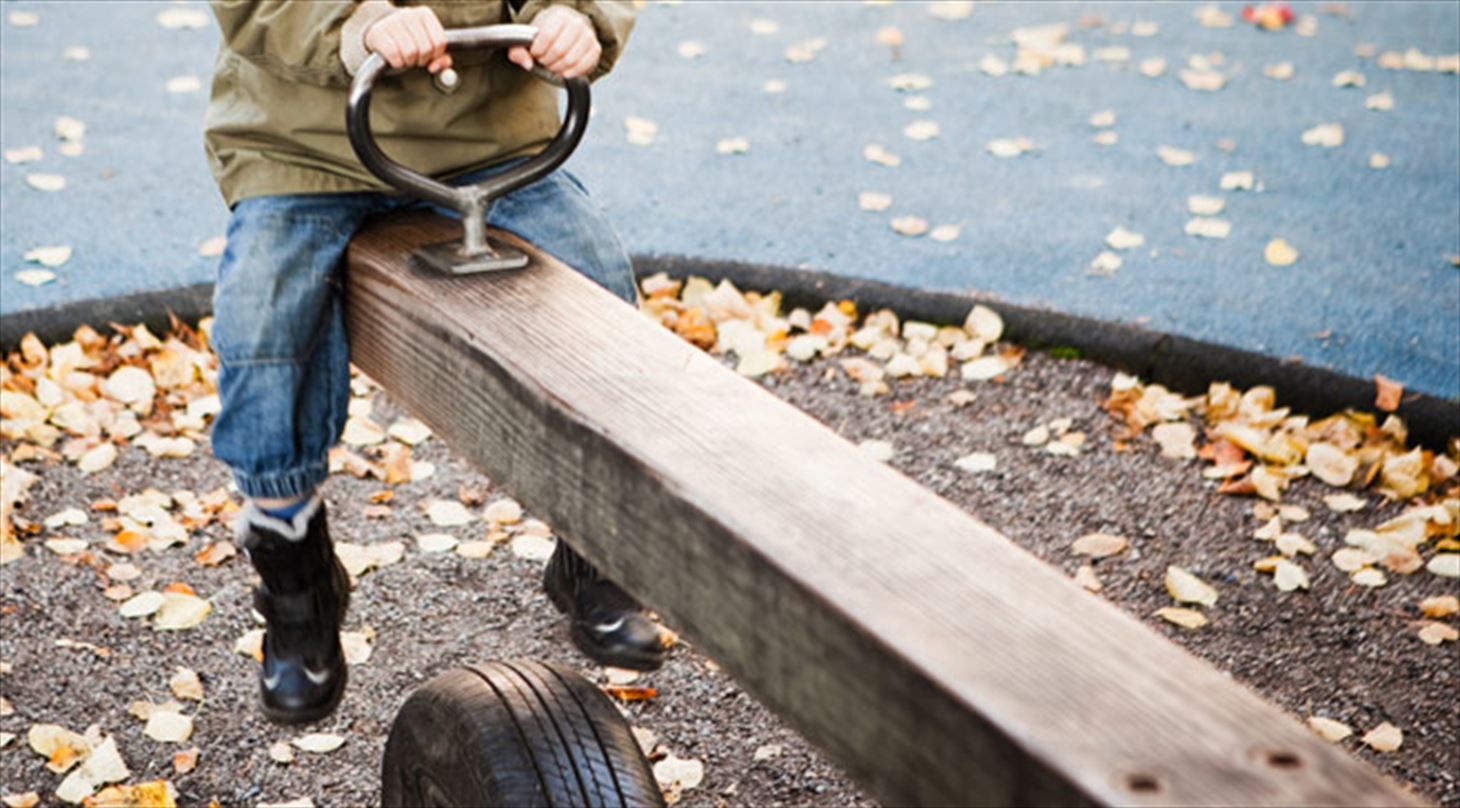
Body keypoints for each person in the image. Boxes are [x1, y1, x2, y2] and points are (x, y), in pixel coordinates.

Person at [204, 0, 664, 726]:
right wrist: (354, 26)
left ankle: (594, 542)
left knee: (597, 292)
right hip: (309, 143)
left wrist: (577, 17)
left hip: (491, 142)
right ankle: (296, 574)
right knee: (265, 321)